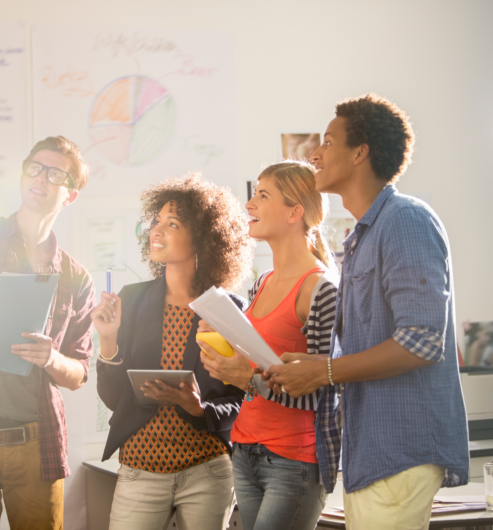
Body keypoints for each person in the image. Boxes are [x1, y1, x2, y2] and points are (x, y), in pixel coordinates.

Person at [266, 94, 469, 530]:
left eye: (329, 142)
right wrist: (313, 365)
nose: (315, 154)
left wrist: (325, 371)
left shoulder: (405, 221)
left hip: (399, 450)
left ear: (360, 153)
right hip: (370, 453)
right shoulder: (361, 237)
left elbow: (422, 341)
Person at [0, 54, 97, 530]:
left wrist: (50, 357)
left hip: (37, 445)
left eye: (56, 175)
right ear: (22, 175)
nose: (41, 179)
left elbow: (80, 372)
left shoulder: (76, 277)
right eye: (35, 168)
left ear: (71, 193)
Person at [92, 174, 254, 530]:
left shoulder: (230, 310)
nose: (156, 231)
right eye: (155, 222)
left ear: (203, 238)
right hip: (140, 469)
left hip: (207, 471)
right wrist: (107, 341)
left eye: (172, 223)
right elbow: (113, 398)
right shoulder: (131, 299)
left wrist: (201, 408)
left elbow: (243, 400)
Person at [199, 161, 338, 530]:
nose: (249, 205)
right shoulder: (262, 282)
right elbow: (257, 364)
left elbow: (326, 389)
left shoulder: (321, 289)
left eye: (262, 195)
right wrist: (223, 348)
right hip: (244, 450)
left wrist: (246, 378)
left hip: (294, 458)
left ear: (296, 212)